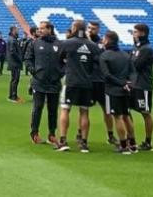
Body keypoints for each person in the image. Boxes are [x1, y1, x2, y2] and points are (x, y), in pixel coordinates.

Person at [56, 20, 98, 153]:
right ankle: (84, 143)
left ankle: (63, 141)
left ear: (74, 28)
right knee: (84, 112)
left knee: (65, 109)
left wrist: (66, 68)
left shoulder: (67, 43)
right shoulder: (92, 45)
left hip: (71, 82)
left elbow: (58, 59)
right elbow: (97, 64)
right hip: (87, 83)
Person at [98, 31, 137, 155]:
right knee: (126, 116)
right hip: (126, 91)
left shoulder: (105, 56)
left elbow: (106, 75)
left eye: (104, 39)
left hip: (112, 91)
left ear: (108, 40)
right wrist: (129, 84)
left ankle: (124, 145)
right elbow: (133, 72)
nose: (102, 41)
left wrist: (121, 84)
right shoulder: (125, 55)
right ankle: (133, 144)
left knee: (117, 117)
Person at [26, 21, 61, 146]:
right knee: (37, 108)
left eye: (42, 28)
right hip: (38, 82)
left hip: (54, 83)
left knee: (53, 110)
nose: (39, 30)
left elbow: (65, 62)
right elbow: (28, 59)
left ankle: (52, 134)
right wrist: (33, 71)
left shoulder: (59, 44)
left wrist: (59, 74)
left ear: (50, 29)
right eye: (39, 28)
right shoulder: (35, 43)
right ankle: (34, 133)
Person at [86, 21, 115, 146]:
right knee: (84, 109)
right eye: (89, 28)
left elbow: (100, 57)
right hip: (88, 80)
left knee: (107, 110)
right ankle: (80, 134)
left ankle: (110, 135)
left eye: (93, 28)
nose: (90, 30)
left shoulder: (101, 43)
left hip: (102, 81)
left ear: (98, 30)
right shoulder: (82, 42)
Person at [129, 23, 153, 152]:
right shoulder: (136, 47)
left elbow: (136, 65)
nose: (133, 34)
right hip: (133, 83)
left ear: (142, 33)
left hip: (143, 85)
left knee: (145, 113)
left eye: (135, 32)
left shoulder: (146, 49)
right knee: (126, 110)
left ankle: (148, 141)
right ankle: (130, 138)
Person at [6, 25, 24, 102]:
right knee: (15, 80)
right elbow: (13, 52)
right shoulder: (13, 40)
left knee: (14, 79)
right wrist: (19, 59)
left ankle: (13, 95)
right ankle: (13, 96)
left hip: (13, 62)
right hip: (15, 63)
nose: (18, 31)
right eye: (17, 30)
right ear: (13, 30)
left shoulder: (11, 39)